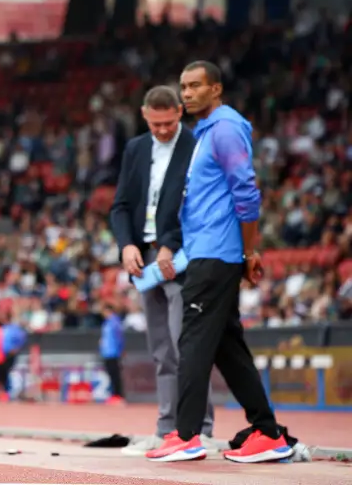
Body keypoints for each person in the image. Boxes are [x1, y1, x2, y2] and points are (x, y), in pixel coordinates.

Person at [147, 61, 292, 464]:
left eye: (196, 86)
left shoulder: (225, 128)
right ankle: (267, 432)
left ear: (216, 89)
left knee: (192, 341)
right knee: (228, 347)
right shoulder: (206, 131)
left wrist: (248, 252)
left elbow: (246, 191)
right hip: (207, 250)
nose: (187, 93)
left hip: (216, 254)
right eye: (183, 87)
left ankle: (187, 434)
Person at [108, 85, 215, 453]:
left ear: (180, 114)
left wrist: (172, 242)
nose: (164, 130)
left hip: (183, 258)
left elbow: (198, 202)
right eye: (156, 124)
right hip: (145, 262)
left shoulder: (196, 146)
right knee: (161, 351)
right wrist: (126, 246)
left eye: (169, 123)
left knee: (187, 346)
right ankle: (166, 426)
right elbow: (121, 205)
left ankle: (200, 428)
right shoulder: (136, 148)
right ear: (144, 116)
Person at [99, 303, 125, 405]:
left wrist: (120, 350)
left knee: (115, 375)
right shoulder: (107, 322)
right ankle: (114, 394)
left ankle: (118, 395)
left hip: (113, 352)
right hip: (107, 352)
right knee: (110, 374)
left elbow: (119, 337)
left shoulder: (115, 322)